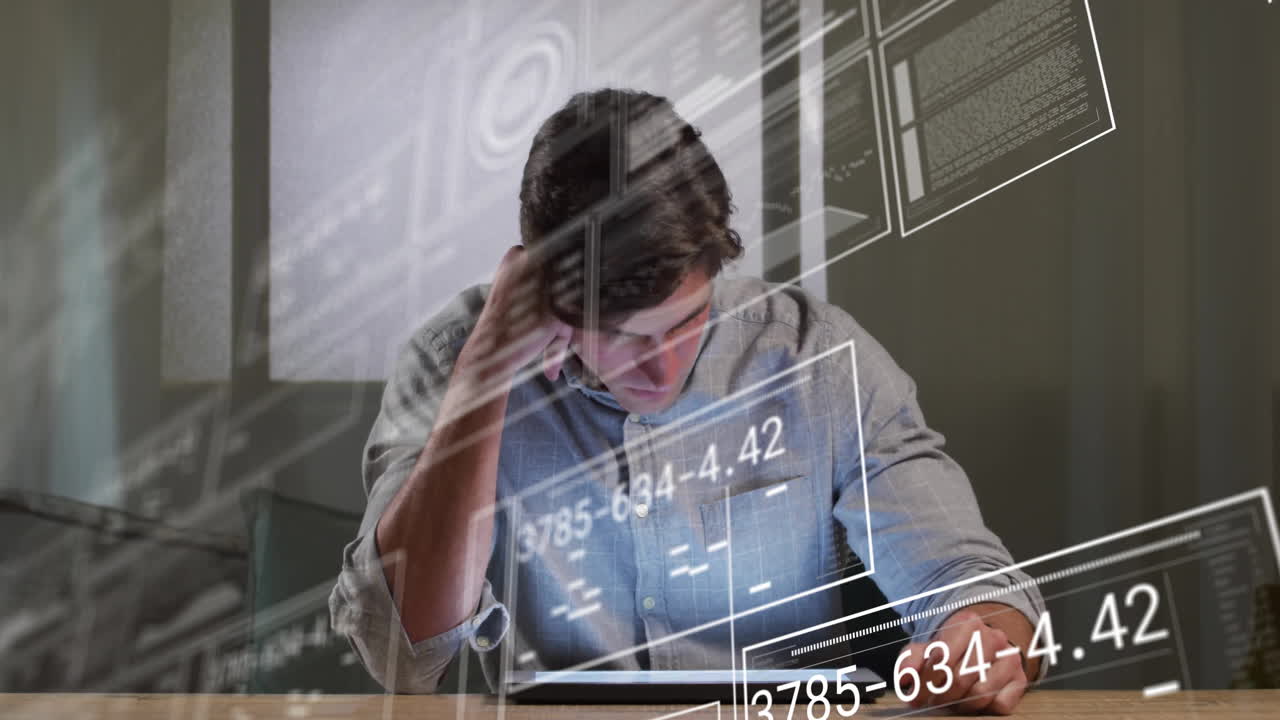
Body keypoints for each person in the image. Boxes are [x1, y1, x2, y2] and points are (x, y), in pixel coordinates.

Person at [329, 89, 1045, 713]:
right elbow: (402, 659)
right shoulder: (453, 359)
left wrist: (974, 641)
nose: (661, 367)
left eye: (684, 322)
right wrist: (483, 376)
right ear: (546, 289)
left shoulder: (817, 359)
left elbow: (968, 578)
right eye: (618, 334)